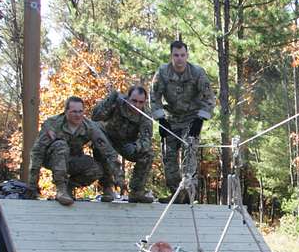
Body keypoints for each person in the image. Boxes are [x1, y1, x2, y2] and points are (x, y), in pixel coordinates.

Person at [28, 96, 126, 206]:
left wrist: (119, 177)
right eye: (74, 112)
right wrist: (32, 185)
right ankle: (61, 189)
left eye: (80, 111)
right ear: (66, 112)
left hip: (72, 159)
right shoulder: (53, 124)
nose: (78, 115)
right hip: (52, 158)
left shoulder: (89, 127)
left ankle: (70, 186)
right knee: (61, 145)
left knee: (96, 170)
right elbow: (37, 152)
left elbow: (107, 151)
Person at [150, 40, 215, 202]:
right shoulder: (162, 72)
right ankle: (176, 194)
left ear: (187, 55)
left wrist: (200, 119)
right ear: (171, 56)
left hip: (191, 119)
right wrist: (160, 119)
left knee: (189, 154)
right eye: (176, 55)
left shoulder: (197, 73)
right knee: (168, 157)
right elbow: (154, 96)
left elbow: (209, 98)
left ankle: (188, 194)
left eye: (182, 55)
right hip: (170, 119)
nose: (179, 59)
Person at [91, 86, 156, 203]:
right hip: (108, 138)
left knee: (148, 154)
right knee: (98, 146)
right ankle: (107, 187)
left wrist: (136, 147)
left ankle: (137, 191)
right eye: (134, 101)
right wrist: (109, 100)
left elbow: (146, 139)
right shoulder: (117, 102)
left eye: (141, 102)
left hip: (127, 144)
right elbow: (95, 117)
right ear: (128, 98)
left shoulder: (145, 114)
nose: (136, 105)